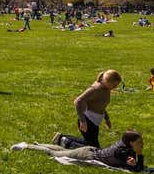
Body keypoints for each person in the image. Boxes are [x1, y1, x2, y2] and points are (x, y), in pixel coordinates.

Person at [14, 130, 144, 172]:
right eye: (139, 142)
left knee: (62, 150)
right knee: (55, 153)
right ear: (131, 143)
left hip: (90, 150)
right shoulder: (122, 152)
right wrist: (139, 154)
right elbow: (137, 169)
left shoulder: (126, 148)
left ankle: (45, 144)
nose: (142, 144)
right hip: (87, 154)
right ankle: (26, 146)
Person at [64, 70, 122, 148]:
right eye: (114, 85)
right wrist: (82, 121)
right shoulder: (95, 89)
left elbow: (101, 105)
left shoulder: (106, 89)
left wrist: (107, 119)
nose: (115, 87)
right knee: (93, 148)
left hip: (95, 122)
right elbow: (78, 101)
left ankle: (63, 138)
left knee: (89, 143)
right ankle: (65, 142)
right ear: (107, 81)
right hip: (87, 121)